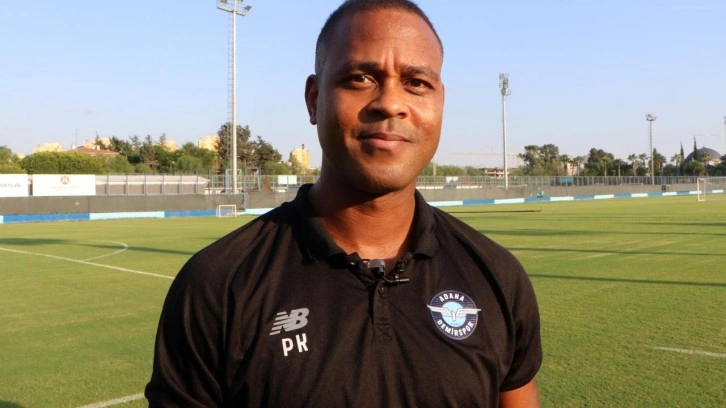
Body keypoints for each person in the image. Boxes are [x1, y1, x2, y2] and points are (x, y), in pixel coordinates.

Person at [145, 0, 542, 406]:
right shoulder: (217, 284)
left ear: (439, 103)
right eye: (361, 78)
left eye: (416, 83)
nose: (391, 103)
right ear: (314, 98)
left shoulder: (498, 276)